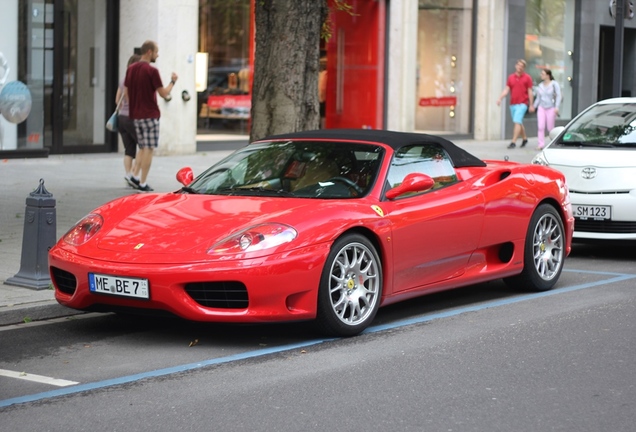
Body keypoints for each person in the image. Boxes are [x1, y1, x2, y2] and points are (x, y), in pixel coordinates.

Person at [124, 40, 178, 191]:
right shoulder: (151, 71)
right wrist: (172, 82)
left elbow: (126, 92)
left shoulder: (131, 69)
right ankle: (142, 182)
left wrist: (134, 106)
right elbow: (163, 93)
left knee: (142, 147)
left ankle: (134, 175)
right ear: (149, 52)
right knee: (149, 149)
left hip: (135, 115)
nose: (157, 55)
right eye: (156, 52)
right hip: (149, 115)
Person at [496, 59, 535, 149]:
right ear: (516, 66)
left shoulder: (527, 78)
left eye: (522, 66)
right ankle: (524, 138)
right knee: (519, 122)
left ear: (524, 68)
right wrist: (500, 99)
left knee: (517, 121)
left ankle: (513, 141)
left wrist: (531, 104)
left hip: (523, 103)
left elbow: (530, 92)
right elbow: (506, 89)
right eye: (518, 65)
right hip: (513, 104)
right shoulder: (511, 77)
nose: (520, 67)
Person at [116, 54, 141, 188]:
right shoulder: (135, 80)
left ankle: (127, 173)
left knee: (129, 149)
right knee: (143, 147)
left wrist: (124, 109)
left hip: (122, 118)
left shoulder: (123, 79)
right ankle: (133, 175)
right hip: (133, 118)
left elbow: (117, 100)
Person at [533, 68, 562, 149]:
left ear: (548, 75)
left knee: (550, 128)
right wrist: (534, 106)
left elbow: (558, 95)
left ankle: (552, 143)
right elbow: (538, 98)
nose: (541, 75)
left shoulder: (554, 84)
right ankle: (540, 144)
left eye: (543, 74)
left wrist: (557, 107)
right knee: (540, 126)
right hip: (541, 108)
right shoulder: (540, 86)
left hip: (551, 108)